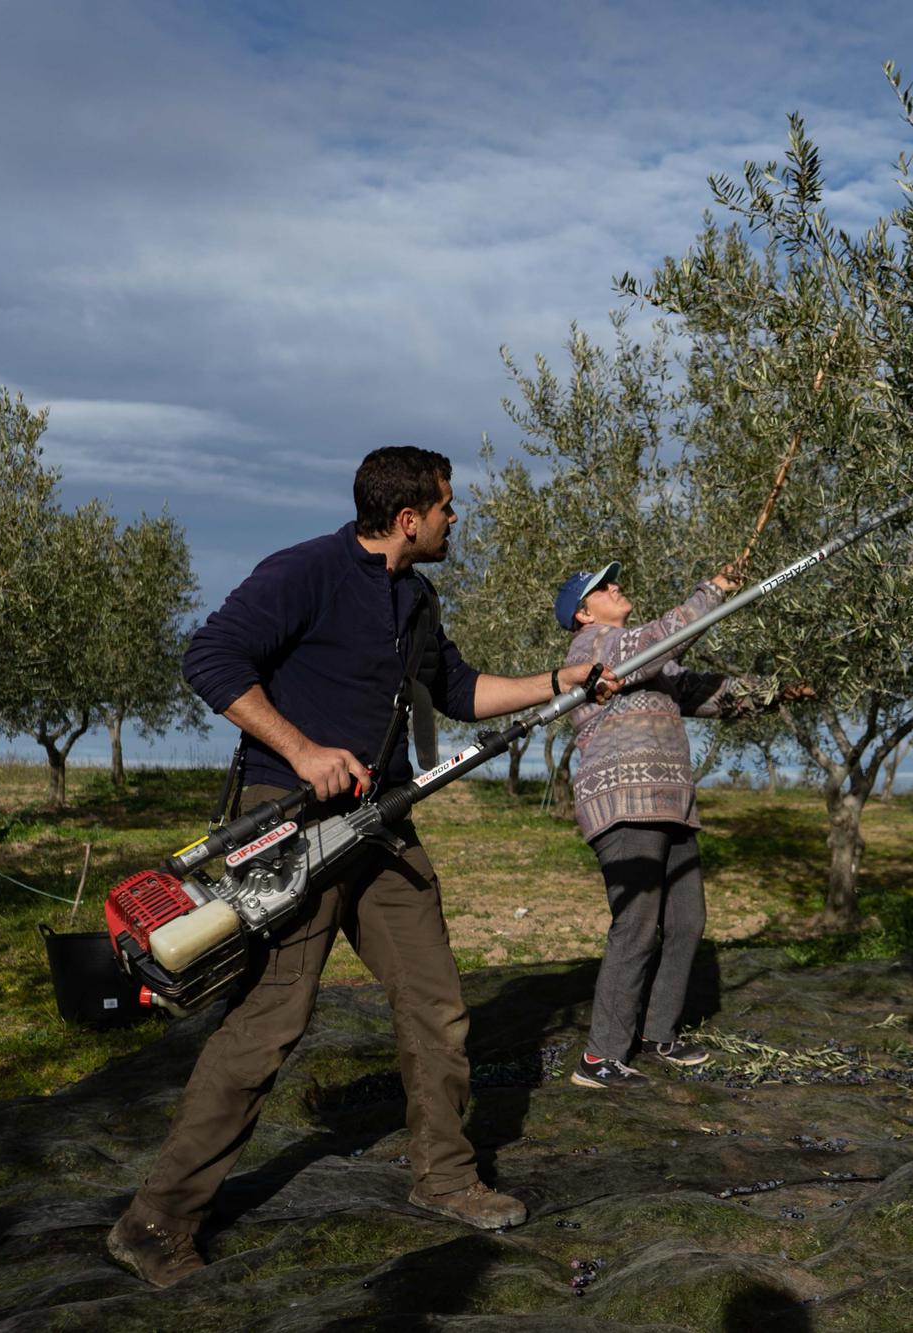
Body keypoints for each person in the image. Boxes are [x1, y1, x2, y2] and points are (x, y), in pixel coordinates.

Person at [107, 446, 615, 1287]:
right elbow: (210, 660)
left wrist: (562, 680)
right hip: (287, 832)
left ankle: (445, 1176)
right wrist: (304, 751)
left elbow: (457, 688)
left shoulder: (415, 599)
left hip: (380, 829)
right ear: (409, 516)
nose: (459, 519)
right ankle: (155, 1220)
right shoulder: (304, 571)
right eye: (449, 506)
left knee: (436, 1000)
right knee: (273, 1020)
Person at [554, 560, 810, 1090]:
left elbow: (710, 692)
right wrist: (711, 591)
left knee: (688, 918)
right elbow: (666, 636)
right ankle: (600, 1058)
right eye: (603, 587)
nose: (616, 586)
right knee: (638, 924)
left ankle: (656, 1033)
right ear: (583, 613)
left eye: (615, 580)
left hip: (670, 803)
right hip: (626, 803)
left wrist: (777, 692)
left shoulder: (647, 663)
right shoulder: (595, 649)